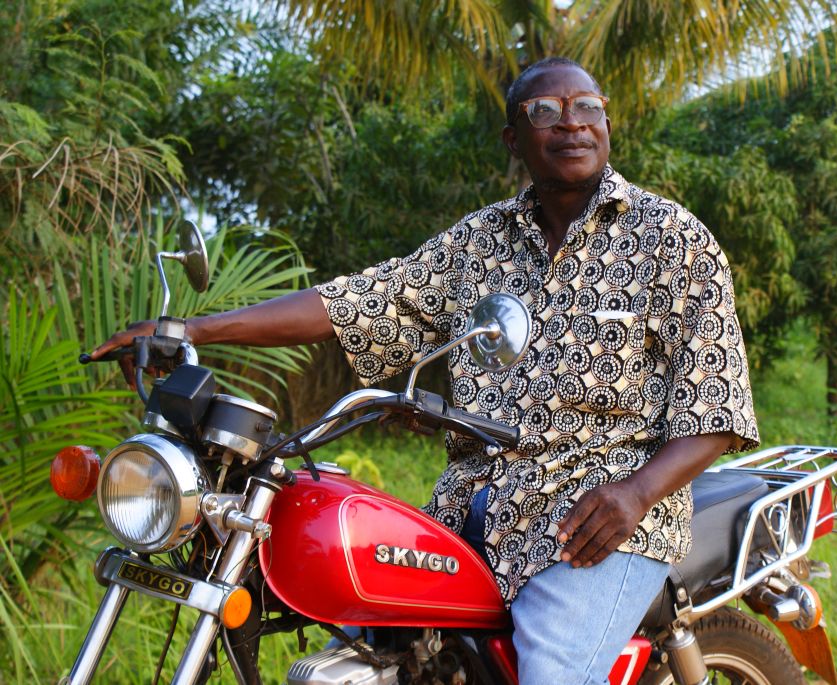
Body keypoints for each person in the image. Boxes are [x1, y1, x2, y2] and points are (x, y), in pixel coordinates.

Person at [92, 57, 759, 685]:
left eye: (587, 107)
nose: (572, 123)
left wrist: (635, 495)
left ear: (606, 122)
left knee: (553, 669)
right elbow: (359, 301)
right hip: (472, 504)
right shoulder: (480, 241)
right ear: (514, 138)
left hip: (598, 518)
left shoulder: (672, 239)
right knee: (367, 641)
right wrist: (194, 330)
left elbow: (719, 405)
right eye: (545, 111)